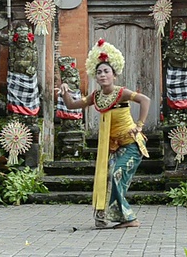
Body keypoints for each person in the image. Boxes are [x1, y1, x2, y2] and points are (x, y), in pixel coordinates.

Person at [58, 38, 150, 229]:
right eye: (99, 72)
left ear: (114, 74)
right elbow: (72, 105)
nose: (102, 75)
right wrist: (65, 90)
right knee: (107, 178)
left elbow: (145, 100)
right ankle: (108, 216)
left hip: (132, 144)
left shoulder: (121, 92)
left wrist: (139, 125)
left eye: (106, 71)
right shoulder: (95, 96)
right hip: (114, 148)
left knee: (116, 174)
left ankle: (130, 219)